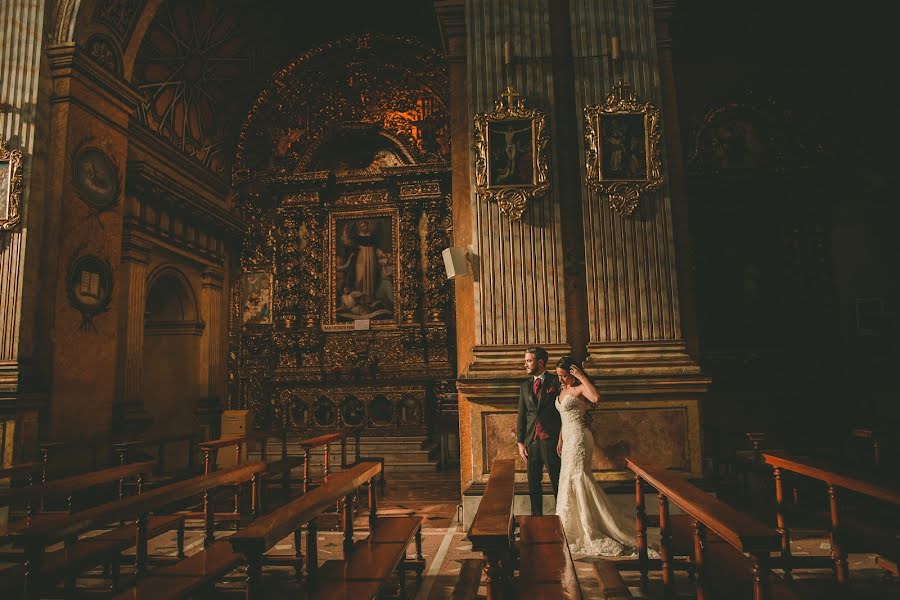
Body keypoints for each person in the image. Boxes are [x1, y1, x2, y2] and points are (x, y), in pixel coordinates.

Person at [553, 355, 649, 556]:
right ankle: (570, 527)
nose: (561, 380)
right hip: (568, 438)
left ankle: (590, 527)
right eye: (559, 376)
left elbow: (596, 398)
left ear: (572, 374)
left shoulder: (579, 389)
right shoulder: (563, 391)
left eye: (564, 376)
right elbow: (565, 417)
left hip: (580, 438)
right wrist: (560, 438)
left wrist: (581, 376)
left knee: (578, 476)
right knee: (567, 478)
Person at [516, 346, 563, 516]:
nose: (525, 364)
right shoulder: (524, 386)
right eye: (525, 361)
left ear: (540, 362)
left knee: (557, 481)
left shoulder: (555, 381)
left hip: (552, 440)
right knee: (533, 483)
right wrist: (521, 442)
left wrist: (562, 438)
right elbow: (522, 416)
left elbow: (563, 410)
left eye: (529, 361)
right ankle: (536, 518)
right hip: (532, 441)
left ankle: (561, 517)